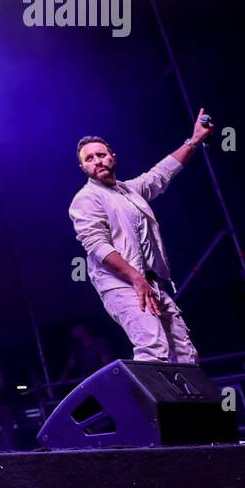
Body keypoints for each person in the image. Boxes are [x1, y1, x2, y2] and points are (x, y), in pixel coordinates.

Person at [68, 112, 213, 364]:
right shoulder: (86, 199)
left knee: (185, 354)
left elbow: (161, 174)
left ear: (112, 156)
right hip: (120, 283)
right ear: (83, 168)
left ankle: (190, 404)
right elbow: (97, 246)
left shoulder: (129, 190)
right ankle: (150, 405)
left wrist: (194, 140)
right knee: (152, 346)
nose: (97, 161)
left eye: (101, 155)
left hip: (149, 282)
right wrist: (136, 279)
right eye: (89, 159)